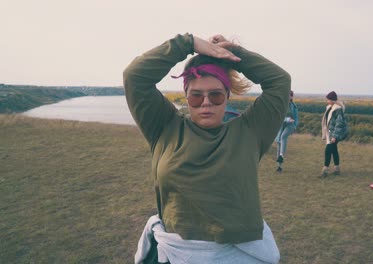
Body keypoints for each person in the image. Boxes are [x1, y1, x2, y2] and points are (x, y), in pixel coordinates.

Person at [123, 33, 290, 264]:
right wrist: (187, 44)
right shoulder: (164, 127)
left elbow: (279, 81)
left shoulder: (250, 132)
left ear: (227, 96)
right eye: (196, 97)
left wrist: (233, 54)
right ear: (186, 96)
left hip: (236, 255)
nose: (206, 103)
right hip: (175, 253)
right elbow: (135, 77)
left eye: (216, 95)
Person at [320, 91, 347, 177]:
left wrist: (334, 136)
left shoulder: (337, 109)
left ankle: (325, 171)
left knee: (328, 150)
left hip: (334, 134)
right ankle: (337, 169)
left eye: (328, 99)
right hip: (329, 133)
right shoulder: (329, 108)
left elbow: (339, 124)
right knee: (334, 150)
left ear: (332, 100)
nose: (327, 101)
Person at [274, 90, 298, 173]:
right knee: (279, 143)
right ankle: (279, 167)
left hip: (290, 126)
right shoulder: (281, 105)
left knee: (283, 136)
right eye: (288, 95)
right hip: (281, 126)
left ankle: (281, 155)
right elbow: (279, 118)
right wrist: (287, 119)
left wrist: (294, 126)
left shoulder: (293, 106)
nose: (290, 97)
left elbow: (296, 117)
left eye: (291, 96)